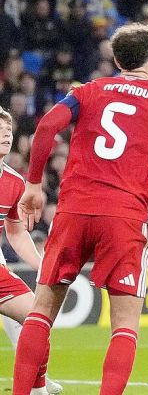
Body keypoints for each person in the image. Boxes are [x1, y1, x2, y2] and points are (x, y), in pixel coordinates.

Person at [12, 23, 148, 395]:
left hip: (73, 211)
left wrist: (34, 183)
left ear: (115, 59)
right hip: (124, 217)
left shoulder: (89, 92)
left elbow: (47, 126)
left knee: (42, 310)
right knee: (125, 323)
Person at [0, 108, 62, 395]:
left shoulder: (15, 182)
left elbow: (15, 231)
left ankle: (37, 388)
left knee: (38, 316)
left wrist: (41, 264)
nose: (5, 137)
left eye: (8, 132)